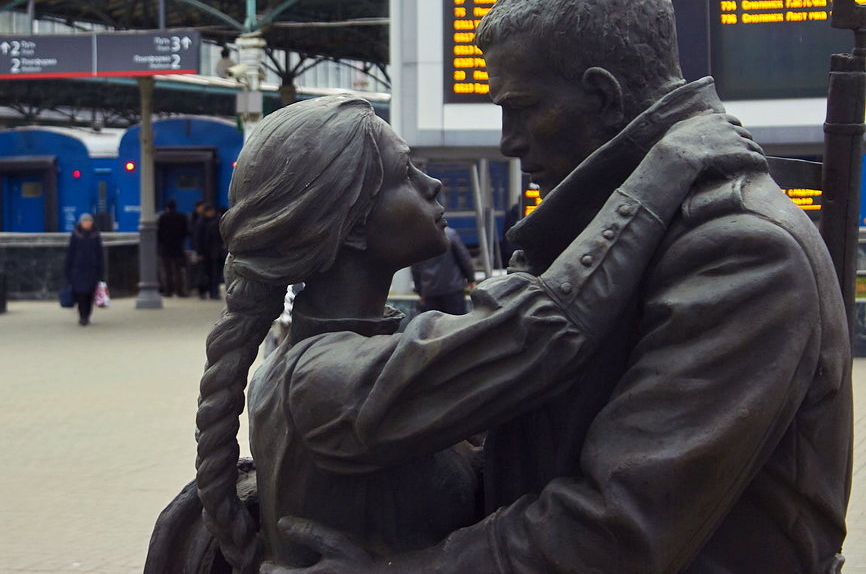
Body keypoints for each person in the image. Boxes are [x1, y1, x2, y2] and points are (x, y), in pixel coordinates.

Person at [260, 0, 852, 574]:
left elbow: (621, 528)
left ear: (602, 96)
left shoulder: (734, 248)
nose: (508, 141)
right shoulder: (612, 231)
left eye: (519, 107)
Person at [162, 92, 761, 574]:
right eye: (405, 174)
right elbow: (541, 331)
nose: (433, 185)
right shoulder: (319, 381)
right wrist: (667, 165)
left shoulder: (362, 351)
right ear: (350, 227)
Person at [410, 222, 474, 316]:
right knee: (457, 324)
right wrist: (471, 279)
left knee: (435, 326)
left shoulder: (418, 238)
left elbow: (415, 268)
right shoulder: (450, 234)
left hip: (430, 291)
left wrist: (420, 290)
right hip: (453, 288)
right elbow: (464, 259)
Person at [64, 212, 105, 326]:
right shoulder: (75, 235)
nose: (87, 224)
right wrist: (68, 270)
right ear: (81, 223)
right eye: (85, 221)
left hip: (92, 270)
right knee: (80, 294)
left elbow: (99, 254)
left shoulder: (95, 235)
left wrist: (101, 271)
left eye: (89, 221)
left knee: (90, 295)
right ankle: (82, 316)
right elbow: (70, 253)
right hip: (78, 270)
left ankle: (87, 315)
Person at [157, 200, 189, 297]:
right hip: (178, 248)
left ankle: (168, 291)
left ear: (167, 208)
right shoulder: (181, 217)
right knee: (179, 271)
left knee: (167, 271)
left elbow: (158, 233)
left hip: (165, 249)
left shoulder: (162, 218)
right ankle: (180, 291)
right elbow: (185, 231)